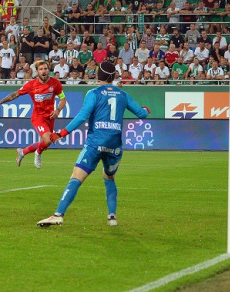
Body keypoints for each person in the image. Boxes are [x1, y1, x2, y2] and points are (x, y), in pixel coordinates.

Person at [37, 61, 150, 228]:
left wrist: (61, 133)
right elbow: (141, 113)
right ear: (113, 77)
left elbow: (82, 117)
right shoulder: (122, 94)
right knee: (109, 177)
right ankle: (112, 217)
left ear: (98, 75)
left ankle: (58, 214)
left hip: (95, 143)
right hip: (114, 146)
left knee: (76, 177)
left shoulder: (93, 93)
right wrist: (146, 110)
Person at [0, 60, 66, 169]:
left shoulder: (55, 83)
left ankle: (23, 152)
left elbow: (63, 99)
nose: (44, 71)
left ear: (48, 70)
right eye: (41, 69)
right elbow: (15, 94)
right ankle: (38, 153)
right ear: (37, 71)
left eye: (45, 69)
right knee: (48, 140)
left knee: (45, 143)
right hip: (38, 117)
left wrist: (58, 110)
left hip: (50, 117)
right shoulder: (31, 85)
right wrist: (0, 102)